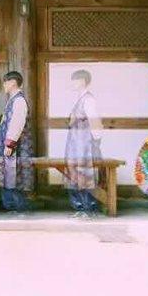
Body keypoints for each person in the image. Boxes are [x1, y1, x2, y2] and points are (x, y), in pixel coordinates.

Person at [0, 71, 34, 212]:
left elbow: (17, 123)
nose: (4, 85)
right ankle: (10, 206)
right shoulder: (13, 100)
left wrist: (10, 143)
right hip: (11, 145)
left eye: (5, 82)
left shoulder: (19, 101)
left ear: (13, 82)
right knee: (8, 174)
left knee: (14, 175)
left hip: (16, 146)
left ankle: (17, 207)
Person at [64, 69, 103, 219]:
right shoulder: (80, 98)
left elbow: (95, 122)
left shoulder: (88, 99)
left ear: (82, 81)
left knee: (85, 174)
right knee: (74, 173)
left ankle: (89, 208)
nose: (73, 83)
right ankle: (80, 207)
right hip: (76, 142)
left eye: (75, 80)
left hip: (84, 143)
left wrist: (95, 142)